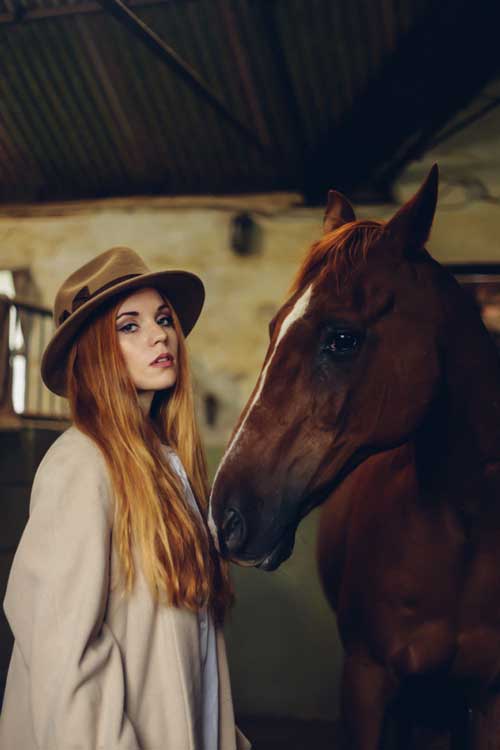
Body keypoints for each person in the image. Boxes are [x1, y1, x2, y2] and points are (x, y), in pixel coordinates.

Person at [0, 246, 250, 750]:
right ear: (93, 351)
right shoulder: (81, 465)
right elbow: (63, 660)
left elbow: (197, 646)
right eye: (129, 325)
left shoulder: (168, 465)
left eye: (162, 319)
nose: (160, 334)